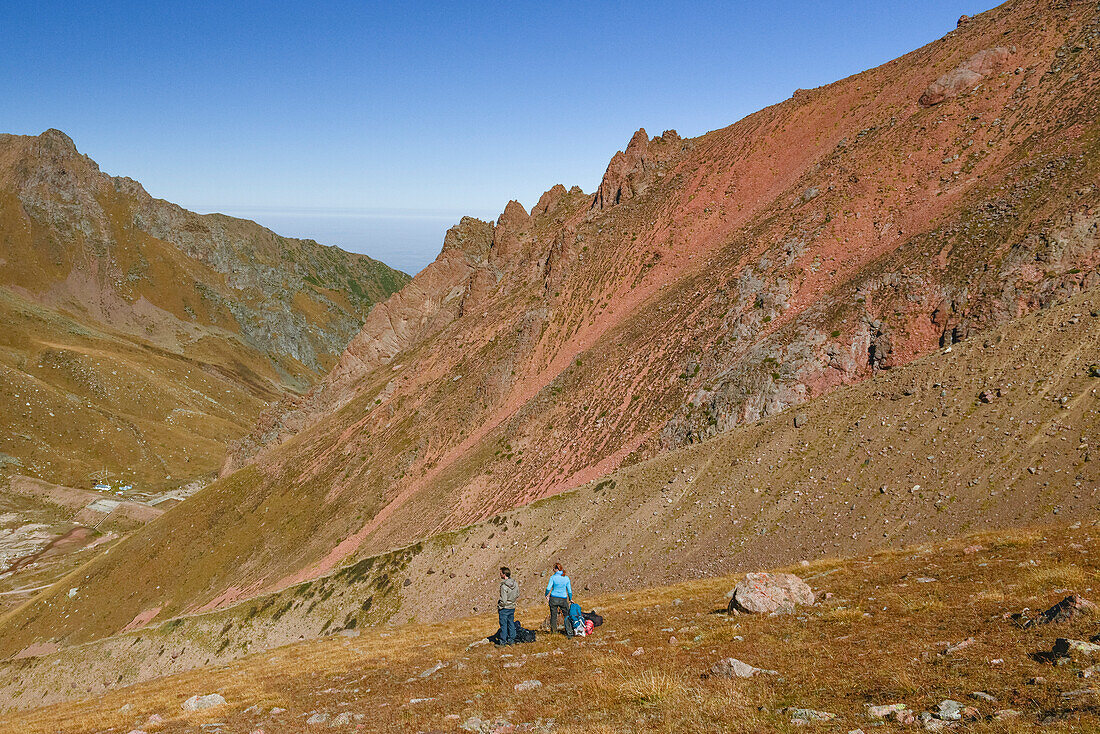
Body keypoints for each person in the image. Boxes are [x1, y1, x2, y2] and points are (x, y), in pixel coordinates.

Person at [544, 562, 573, 636]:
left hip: (554, 598)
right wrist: (570, 599)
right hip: (563, 598)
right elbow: (569, 590)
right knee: (566, 615)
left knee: (553, 615)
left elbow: (548, 588)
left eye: (553, 568)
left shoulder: (553, 577)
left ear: (556, 569)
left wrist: (546, 595)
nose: (553, 570)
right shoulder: (566, 578)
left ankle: (554, 632)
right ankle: (569, 631)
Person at [497, 566, 519, 646]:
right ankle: (511, 640)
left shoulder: (504, 586)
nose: (499, 575)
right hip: (512, 607)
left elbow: (503, 600)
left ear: (504, 574)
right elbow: (517, 594)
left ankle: (503, 642)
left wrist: (500, 606)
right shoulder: (515, 583)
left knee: (503, 625)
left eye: (500, 573)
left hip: (505, 608)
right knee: (511, 623)